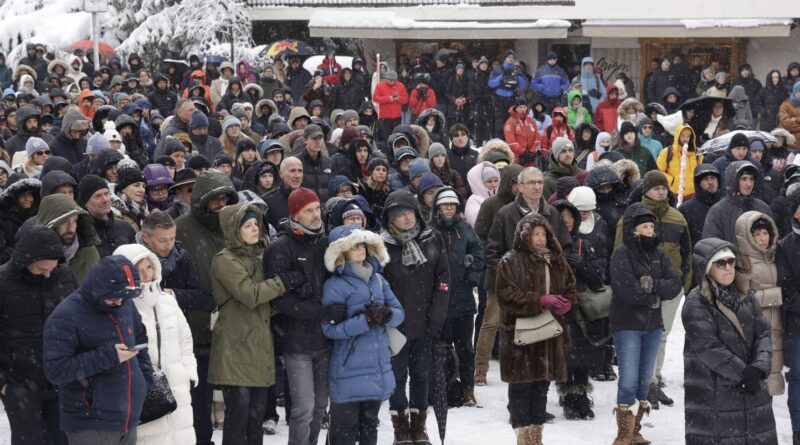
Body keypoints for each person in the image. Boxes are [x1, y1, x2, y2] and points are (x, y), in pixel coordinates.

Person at [43, 256, 154, 445]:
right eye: (114, 298)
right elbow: (56, 370)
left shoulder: (124, 303)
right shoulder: (66, 316)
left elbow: (141, 340)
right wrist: (108, 356)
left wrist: (144, 382)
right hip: (90, 423)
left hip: (129, 417)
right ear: (99, 289)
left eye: (124, 297)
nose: (119, 303)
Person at [204, 204, 288, 445]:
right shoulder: (224, 260)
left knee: (255, 421)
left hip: (258, 347)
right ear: (234, 230)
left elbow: (265, 304)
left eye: (256, 225)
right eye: (248, 225)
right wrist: (282, 283)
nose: (255, 229)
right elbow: (250, 294)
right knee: (238, 421)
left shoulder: (260, 256)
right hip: (235, 348)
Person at [684, 238, 777, 445]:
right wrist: (742, 373)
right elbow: (708, 347)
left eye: (731, 262)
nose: (728, 268)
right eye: (721, 263)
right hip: (715, 392)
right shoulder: (696, 303)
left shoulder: (746, 295)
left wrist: (758, 368)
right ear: (707, 268)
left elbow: (763, 333)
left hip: (752, 386)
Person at [496, 212, 578, 443]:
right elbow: (506, 296)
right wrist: (538, 300)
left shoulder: (557, 260)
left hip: (550, 336)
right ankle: (523, 437)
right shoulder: (510, 261)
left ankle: (536, 436)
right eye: (535, 234)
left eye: (543, 233)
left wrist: (568, 304)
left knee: (541, 388)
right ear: (525, 236)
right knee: (522, 388)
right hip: (520, 336)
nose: (540, 238)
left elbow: (571, 288)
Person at [321, 225, 405, 445]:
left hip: (376, 368)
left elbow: (400, 314)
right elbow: (329, 329)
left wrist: (386, 315)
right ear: (342, 251)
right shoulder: (334, 285)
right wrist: (364, 321)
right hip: (348, 369)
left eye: (363, 245)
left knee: (370, 427)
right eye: (354, 245)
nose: (361, 250)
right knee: (343, 432)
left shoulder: (378, 280)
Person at [263, 187, 333, 445]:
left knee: (319, 408)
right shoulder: (281, 247)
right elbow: (279, 299)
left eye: (317, 208)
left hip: (324, 340)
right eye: (308, 211)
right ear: (295, 214)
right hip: (295, 341)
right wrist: (318, 310)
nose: (316, 215)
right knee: (303, 408)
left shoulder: (323, 242)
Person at [174, 169, 239, 445]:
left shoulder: (234, 225)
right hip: (196, 330)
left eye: (225, 198)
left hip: (233, 328)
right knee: (198, 407)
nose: (220, 204)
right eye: (215, 199)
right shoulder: (180, 229)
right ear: (202, 200)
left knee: (239, 405)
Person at [380, 190, 449, 445]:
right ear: (390, 219)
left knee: (421, 374)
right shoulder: (382, 245)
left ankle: (419, 426)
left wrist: (437, 314)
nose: (406, 218)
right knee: (396, 378)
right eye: (400, 214)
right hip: (395, 325)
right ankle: (401, 428)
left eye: (409, 212)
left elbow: (443, 278)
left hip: (426, 321)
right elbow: (379, 284)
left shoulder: (432, 238)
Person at [609, 203, 681, 445]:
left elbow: (674, 284)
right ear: (634, 229)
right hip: (627, 323)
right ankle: (623, 434)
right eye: (645, 226)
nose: (650, 230)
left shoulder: (659, 253)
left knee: (644, 380)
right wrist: (653, 294)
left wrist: (653, 286)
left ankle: (635, 430)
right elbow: (626, 290)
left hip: (652, 324)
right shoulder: (622, 253)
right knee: (628, 379)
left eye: (652, 226)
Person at [113, 243, 197, 445]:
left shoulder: (167, 301)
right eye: (138, 270)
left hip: (177, 386)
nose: (145, 274)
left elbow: (185, 339)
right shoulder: (122, 306)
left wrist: (188, 373)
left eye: (149, 267)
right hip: (144, 389)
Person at [0, 226, 76, 445]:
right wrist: (3, 383)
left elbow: (78, 318)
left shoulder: (64, 275)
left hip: (60, 377)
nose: (48, 274)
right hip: (19, 382)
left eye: (52, 268)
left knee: (63, 438)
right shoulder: (3, 283)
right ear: (26, 260)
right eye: (42, 269)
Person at [431, 187, 484, 407]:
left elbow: (479, 254)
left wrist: (472, 276)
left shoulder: (466, 229)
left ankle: (467, 388)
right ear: (438, 208)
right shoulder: (431, 231)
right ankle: (442, 386)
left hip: (463, 300)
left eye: (452, 204)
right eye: (445, 205)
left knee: (465, 348)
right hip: (439, 301)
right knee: (440, 347)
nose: (449, 208)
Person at [733, 212, 785, 396]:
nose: (763, 239)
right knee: (759, 373)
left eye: (765, 233)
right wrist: (777, 295)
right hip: (755, 327)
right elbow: (744, 297)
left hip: (776, 325)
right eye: (757, 234)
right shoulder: (743, 260)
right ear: (748, 236)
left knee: (773, 370)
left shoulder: (772, 256)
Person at [777, 189, 800, 442]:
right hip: (797, 323)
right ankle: (798, 430)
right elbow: (786, 286)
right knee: (798, 378)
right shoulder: (786, 244)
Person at [703, 160, 772, 244]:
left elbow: (771, 242)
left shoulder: (763, 208)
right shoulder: (717, 211)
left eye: (751, 179)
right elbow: (712, 246)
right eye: (744, 179)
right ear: (733, 181)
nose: (749, 184)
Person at [77, 174, 136, 257]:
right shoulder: (80, 234)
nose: (105, 200)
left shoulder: (124, 227)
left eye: (106, 193)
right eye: (98, 196)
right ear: (85, 203)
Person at [656, 124, 702, 201]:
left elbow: (701, 171)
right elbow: (658, 171)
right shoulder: (667, 152)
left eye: (688, 136)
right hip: (673, 194)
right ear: (678, 136)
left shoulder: (697, 153)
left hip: (693, 194)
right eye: (683, 136)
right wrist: (671, 181)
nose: (685, 139)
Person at [679, 165, 721, 247]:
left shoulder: (726, 205)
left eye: (713, 178)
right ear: (698, 183)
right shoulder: (686, 209)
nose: (710, 182)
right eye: (705, 179)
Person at [489, 50, 527, 138]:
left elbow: (523, 84)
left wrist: (518, 76)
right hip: (499, 99)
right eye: (509, 57)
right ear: (505, 58)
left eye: (512, 57)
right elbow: (490, 83)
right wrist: (500, 78)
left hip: (512, 98)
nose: (510, 59)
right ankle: (500, 140)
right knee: (499, 122)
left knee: (512, 121)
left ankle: (511, 139)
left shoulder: (517, 69)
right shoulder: (498, 69)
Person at [296, 124, 333, 203]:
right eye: (314, 138)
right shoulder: (296, 162)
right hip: (305, 210)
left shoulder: (328, 162)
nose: (318, 142)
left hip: (326, 210)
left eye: (320, 138)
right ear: (305, 140)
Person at [465, 161, 500, 226]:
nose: (494, 185)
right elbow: (476, 224)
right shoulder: (474, 201)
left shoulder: (499, 197)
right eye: (489, 181)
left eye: (496, 181)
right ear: (480, 182)